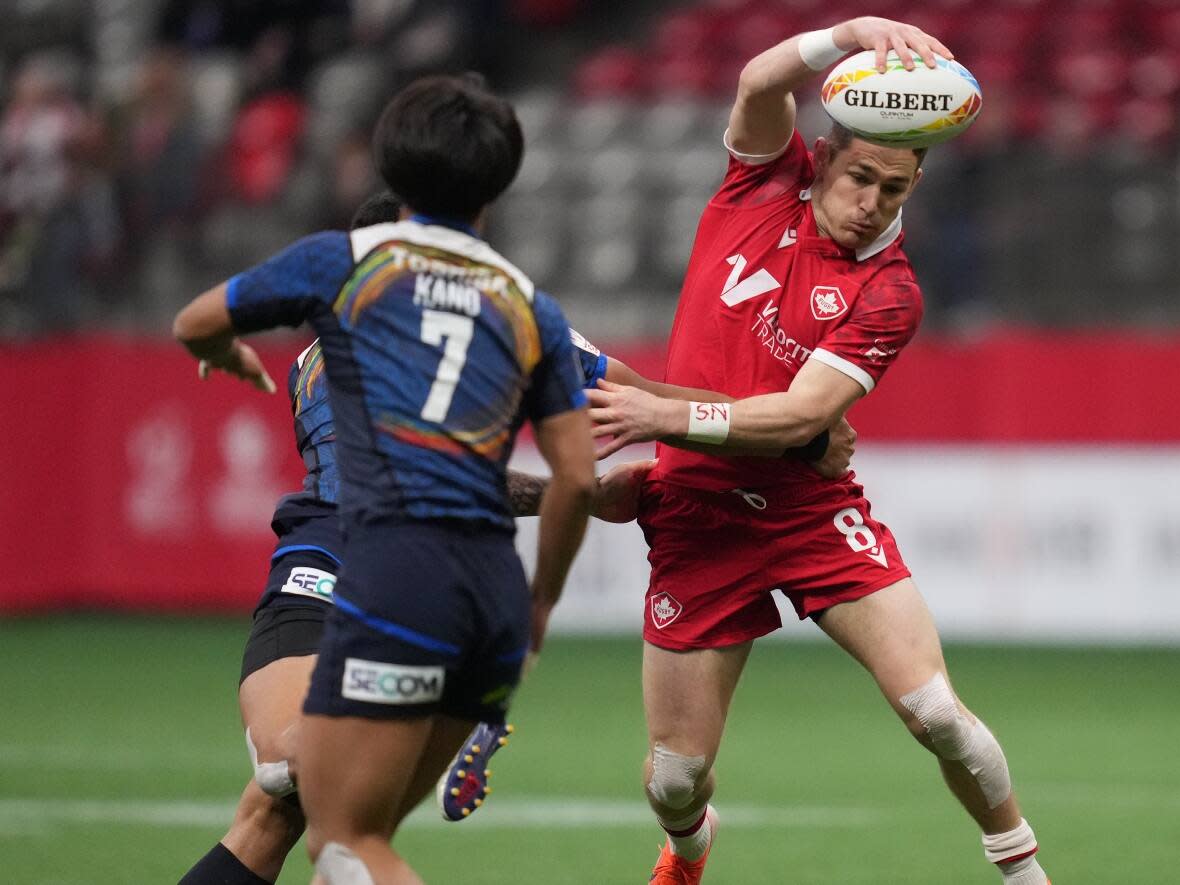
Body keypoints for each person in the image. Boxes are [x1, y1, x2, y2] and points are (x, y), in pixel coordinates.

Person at [587, 17, 1051, 885]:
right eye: (860, 176)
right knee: (673, 780)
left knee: (936, 711)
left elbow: (802, 420)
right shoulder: (758, 185)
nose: (871, 201)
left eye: (895, 189)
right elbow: (762, 83)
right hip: (696, 517)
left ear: (914, 187)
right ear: (824, 160)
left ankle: (1024, 871)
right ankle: (690, 849)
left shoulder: (890, 292)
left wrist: (658, 415)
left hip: (807, 511)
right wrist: (848, 34)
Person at [172, 74, 597, 884]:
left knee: (336, 832)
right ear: (499, 188)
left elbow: (195, 320)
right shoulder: (526, 305)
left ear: (391, 173)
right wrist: (541, 604)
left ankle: (302, 744)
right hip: (495, 596)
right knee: (316, 822)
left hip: (388, 570)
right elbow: (576, 476)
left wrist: (219, 351)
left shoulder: (345, 265)